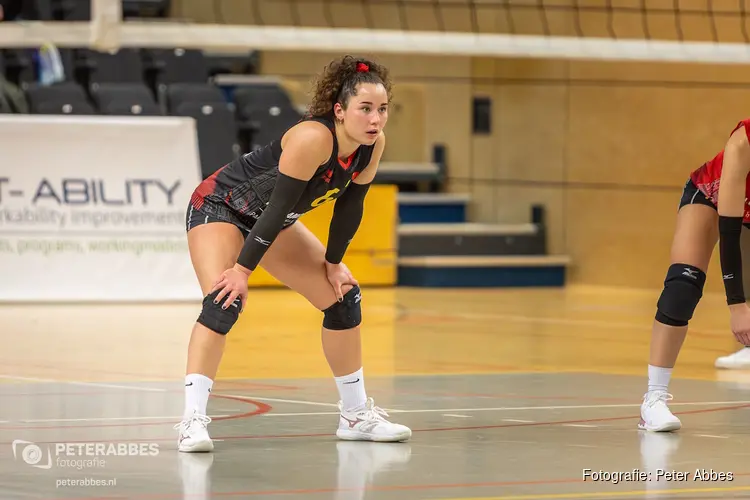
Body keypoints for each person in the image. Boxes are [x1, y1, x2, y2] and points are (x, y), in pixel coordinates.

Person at [175, 55, 412, 452]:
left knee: (344, 298)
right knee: (223, 301)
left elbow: (350, 208)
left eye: (382, 110)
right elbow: (274, 209)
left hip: (272, 219)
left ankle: (355, 416)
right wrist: (240, 270)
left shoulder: (372, 146)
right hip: (221, 206)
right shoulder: (312, 138)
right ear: (339, 110)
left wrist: (334, 265)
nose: (375, 120)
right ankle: (191, 422)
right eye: (365, 109)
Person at [640, 118, 750, 432]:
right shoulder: (742, 143)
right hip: (712, 199)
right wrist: (737, 306)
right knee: (683, 286)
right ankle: (654, 399)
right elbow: (729, 233)